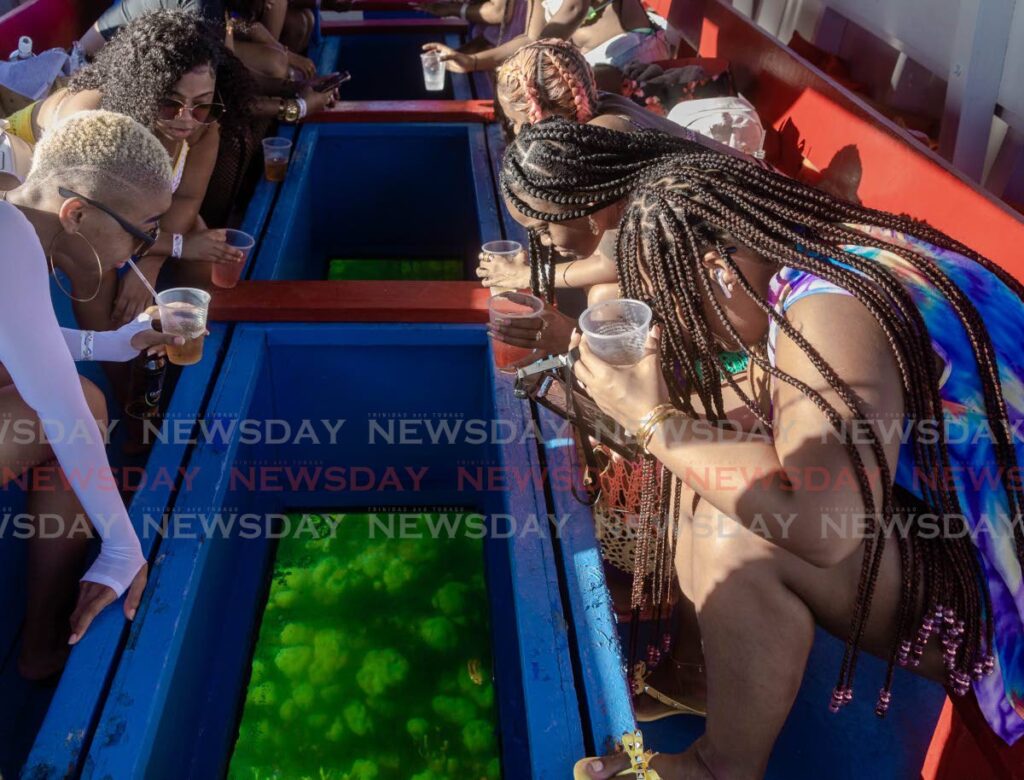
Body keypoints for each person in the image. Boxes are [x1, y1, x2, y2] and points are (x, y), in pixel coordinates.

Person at [500, 119, 1024, 777]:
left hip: (1005, 603)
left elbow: (820, 522)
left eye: (679, 313)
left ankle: (720, 767)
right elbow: (749, 394)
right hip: (985, 536)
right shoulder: (814, 253)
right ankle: (698, 677)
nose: (685, 335)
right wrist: (612, 397)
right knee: (718, 465)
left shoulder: (830, 309)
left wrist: (655, 421)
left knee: (740, 521)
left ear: (718, 273)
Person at [0, 110, 181, 679]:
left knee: (87, 399)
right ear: (75, 214)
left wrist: (115, 342)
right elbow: (61, 414)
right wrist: (125, 548)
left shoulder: (16, 212)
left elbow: (22, 336)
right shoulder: (11, 240)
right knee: (78, 410)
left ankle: (39, 639)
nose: (147, 244)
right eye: (144, 230)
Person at [422, 0, 668, 87]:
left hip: (632, 54)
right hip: (594, 66)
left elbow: (574, 8)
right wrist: (472, 62)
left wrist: (529, 56)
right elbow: (530, 37)